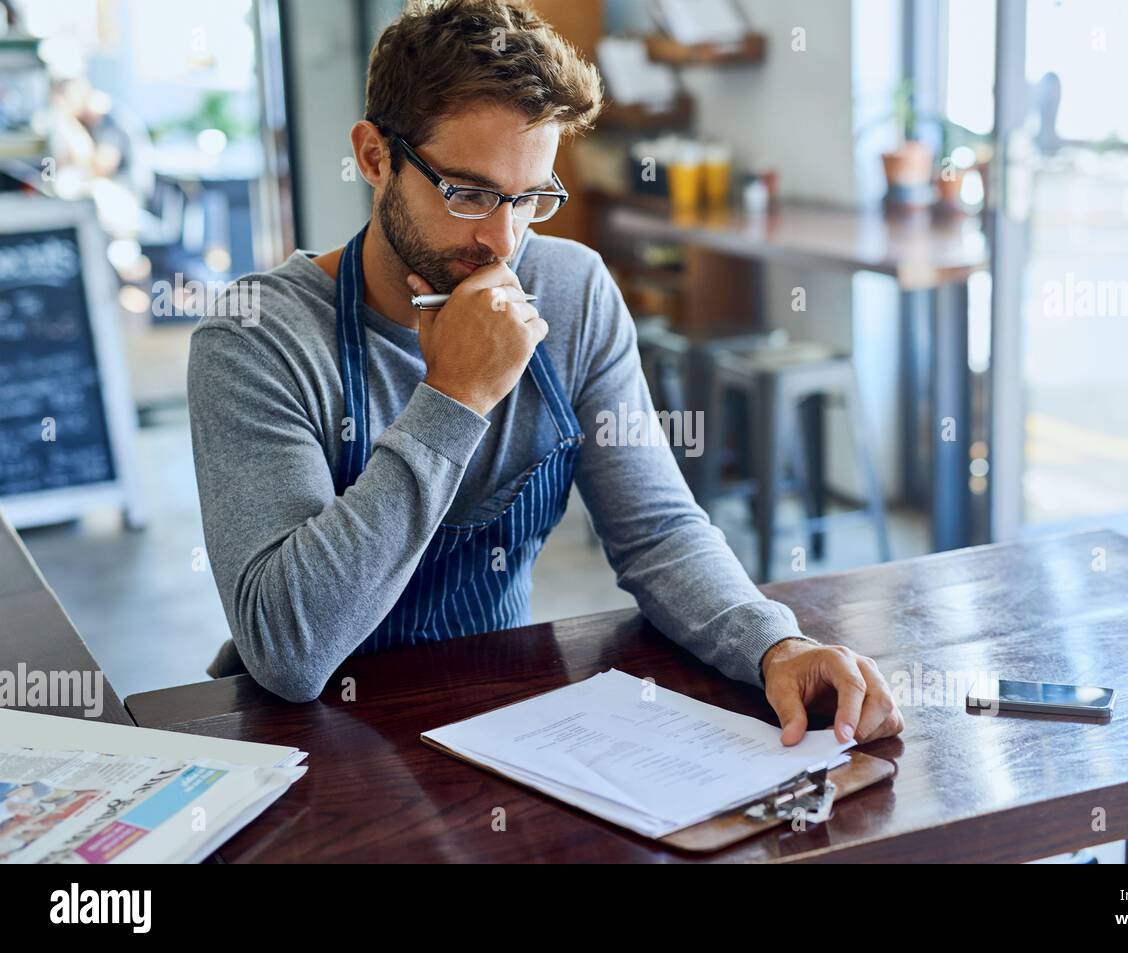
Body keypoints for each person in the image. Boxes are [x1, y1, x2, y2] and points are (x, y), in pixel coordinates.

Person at [189, 0, 903, 748]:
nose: (503, 239)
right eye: (467, 193)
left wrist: (774, 644)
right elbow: (290, 653)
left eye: (530, 197)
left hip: (500, 720)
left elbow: (656, 532)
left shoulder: (573, 290)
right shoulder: (254, 336)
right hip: (311, 749)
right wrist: (454, 396)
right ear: (374, 157)